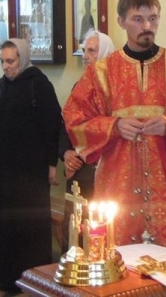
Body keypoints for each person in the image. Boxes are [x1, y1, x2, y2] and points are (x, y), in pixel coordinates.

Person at [62, 0, 166, 252]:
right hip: (117, 181)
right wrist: (115, 126)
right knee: (119, 257)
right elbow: (75, 117)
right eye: (138, 19)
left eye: (153, 18)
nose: (147, 27)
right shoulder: (101, 72)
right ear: (121, 21)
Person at [0, 39, 62, 292]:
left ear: (23, 58)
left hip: (29, 170)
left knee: (26, 222)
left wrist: (52, 163)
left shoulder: (37, 84)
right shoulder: (0, 85)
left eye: (11, 61)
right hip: (3, 169)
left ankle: (30, 276)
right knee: (4, 220)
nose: (6, 67)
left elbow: (52, 125)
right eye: (2, 61)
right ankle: (4, 275)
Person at [59, 29, 115, 251]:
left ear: (104, 52)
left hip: (104, 170)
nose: (84, 56)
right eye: (84, 50)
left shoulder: (116, 89)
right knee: (72, 230)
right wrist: (66, 153)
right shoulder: (79, 86)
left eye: (91, 51)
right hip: (79, 171)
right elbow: (65, 124)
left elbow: (111, 128)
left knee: (99, 233)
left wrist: (82, 150)